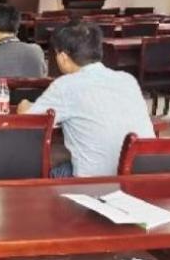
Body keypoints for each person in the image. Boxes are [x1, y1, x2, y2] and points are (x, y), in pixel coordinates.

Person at [18, 22, 155, 178]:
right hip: (140, 178)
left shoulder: (66, 86)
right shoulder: (127, 80)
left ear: (62, 57)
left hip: (94, 184)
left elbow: (29, 120)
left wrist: (24, 104)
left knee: (45, 170)